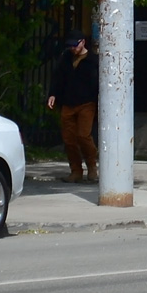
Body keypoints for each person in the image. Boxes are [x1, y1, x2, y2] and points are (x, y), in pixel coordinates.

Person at [47, 30, 99, 183]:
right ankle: (75, 170)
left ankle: (91, 166)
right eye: (70, 46)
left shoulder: (92, 60)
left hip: (86, 103)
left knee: (83, 135)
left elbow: (96, 83)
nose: (73, 49)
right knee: (69, 139)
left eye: (75, 46)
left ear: (82, 42)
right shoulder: (66, 58)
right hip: (68, 102)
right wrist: (53, 94)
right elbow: (58, 77)